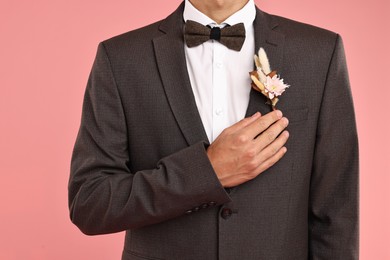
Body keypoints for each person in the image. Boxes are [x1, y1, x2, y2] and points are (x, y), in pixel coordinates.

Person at [69, 0, 359, 259]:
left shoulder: (319, 52)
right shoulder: (120, 58)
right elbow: (90, 202)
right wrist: (205, 172)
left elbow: (336, 213)